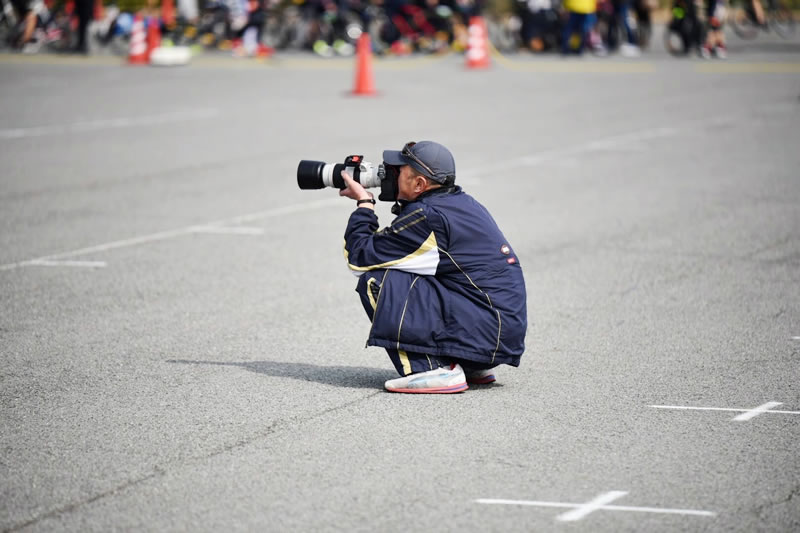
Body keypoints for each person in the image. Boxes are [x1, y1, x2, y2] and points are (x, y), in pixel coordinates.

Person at [338, 141, 528, 394]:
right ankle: (466, 364)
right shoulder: (462, 203)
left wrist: (365, 204)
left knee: (377, 282)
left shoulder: (428, 216)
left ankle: (428, 369)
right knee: (411, 272)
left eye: (399, 171)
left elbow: (360, 258)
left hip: (485, 335)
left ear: (419, 184)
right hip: (498, 336)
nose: (389, 173)